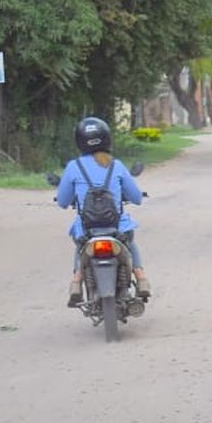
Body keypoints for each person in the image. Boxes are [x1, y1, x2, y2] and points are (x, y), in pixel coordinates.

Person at [54, 116, 150, 307]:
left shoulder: (74, 167)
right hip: (118, 228)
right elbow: (137, 198)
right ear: (106, 138)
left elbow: (63, 201)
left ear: (79, 141)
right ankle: (140, 277)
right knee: (130, 243)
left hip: (87, 229)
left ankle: (76, 281)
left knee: (80, 247)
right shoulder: (116, 165)